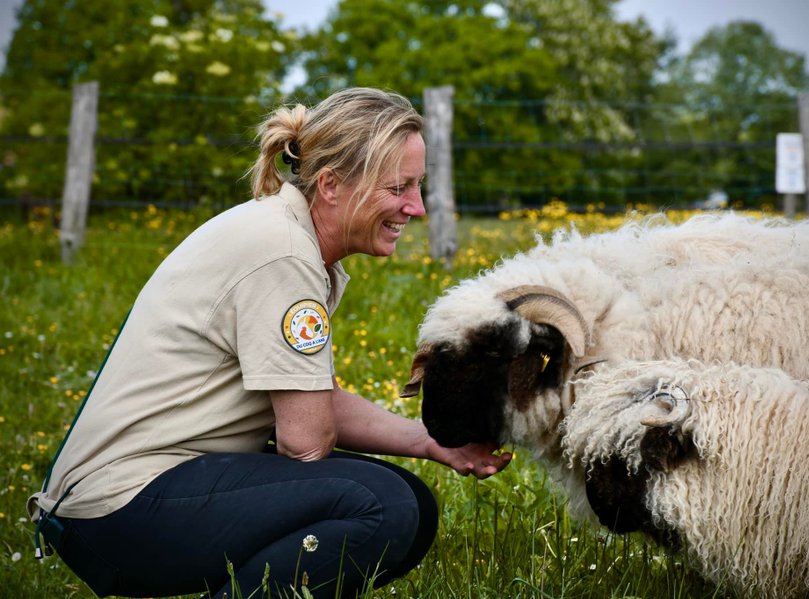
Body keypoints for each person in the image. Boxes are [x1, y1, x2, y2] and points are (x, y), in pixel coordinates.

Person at [28, 87, 512, 599]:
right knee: (384, 507)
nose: (415, 207)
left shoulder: (288, 238)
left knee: (409, 502)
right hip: (121, 508)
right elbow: (304, 444)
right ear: (330, 184)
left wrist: (434, 443)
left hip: (137, 496)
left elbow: (305, 396)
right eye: (398, 188)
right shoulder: (284, 255)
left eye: (419, 186)